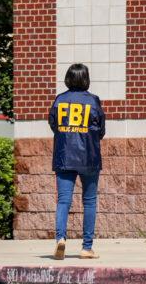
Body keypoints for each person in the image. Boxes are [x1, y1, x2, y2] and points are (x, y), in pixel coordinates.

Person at [48, 63, 106, 260]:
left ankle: (60, 239)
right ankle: (86, 247)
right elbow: (101, 131)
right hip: (88, 157)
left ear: (68, 78)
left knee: (64, 200)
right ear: (86, 79)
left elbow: (53, 125)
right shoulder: (93, 101)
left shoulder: (59, 100)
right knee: (89, 201)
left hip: (64, 156)